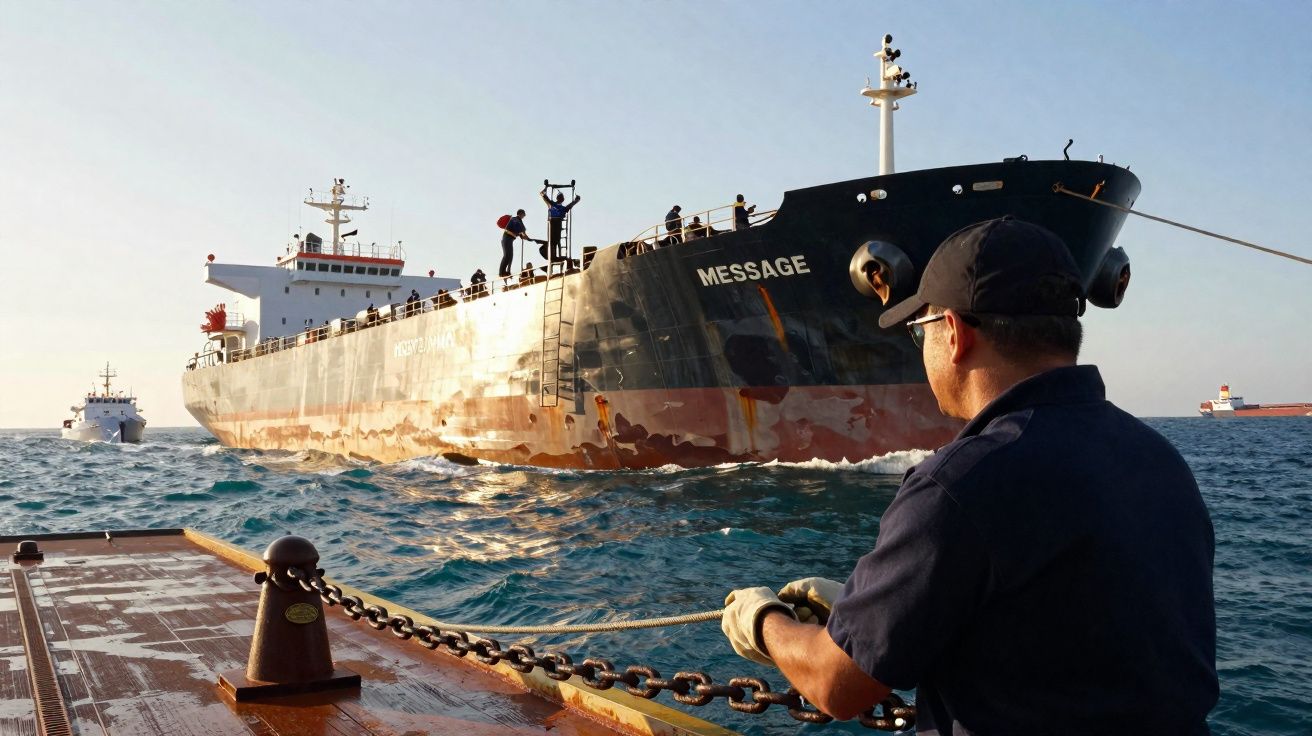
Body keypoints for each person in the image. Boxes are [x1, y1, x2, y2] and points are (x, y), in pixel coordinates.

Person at [720, 217, 1218, 735]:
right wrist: (864, 611)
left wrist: (762, 621)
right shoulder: (1160, 459)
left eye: (920, 333)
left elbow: (836, 686)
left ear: (953, 333)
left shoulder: (957, 485)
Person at [540, 187, 581, 261]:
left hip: (558, 224)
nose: (562, 199)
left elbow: (571, 204)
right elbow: (542, 194)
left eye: (562, 197)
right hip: (552, 223)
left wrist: (577, 199)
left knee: (556, 241)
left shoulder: (563, 208)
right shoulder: (551, 204)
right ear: (558, 198)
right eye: (561, 197)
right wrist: (546, 187)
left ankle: (555, 257)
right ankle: (552, 256)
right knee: (552, 242)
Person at [501, 209, 530, 278]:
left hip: (510, 239)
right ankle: (502, 272)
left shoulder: (518, 221)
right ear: (521, 214)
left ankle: (508, 272)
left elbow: (520, 232)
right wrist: (526, 236)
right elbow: (522, 230)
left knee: (510, 256)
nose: (524, 215)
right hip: (507, 238)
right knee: (507, 255)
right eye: (524, 214)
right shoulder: (515, 219)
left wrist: (523, 236)